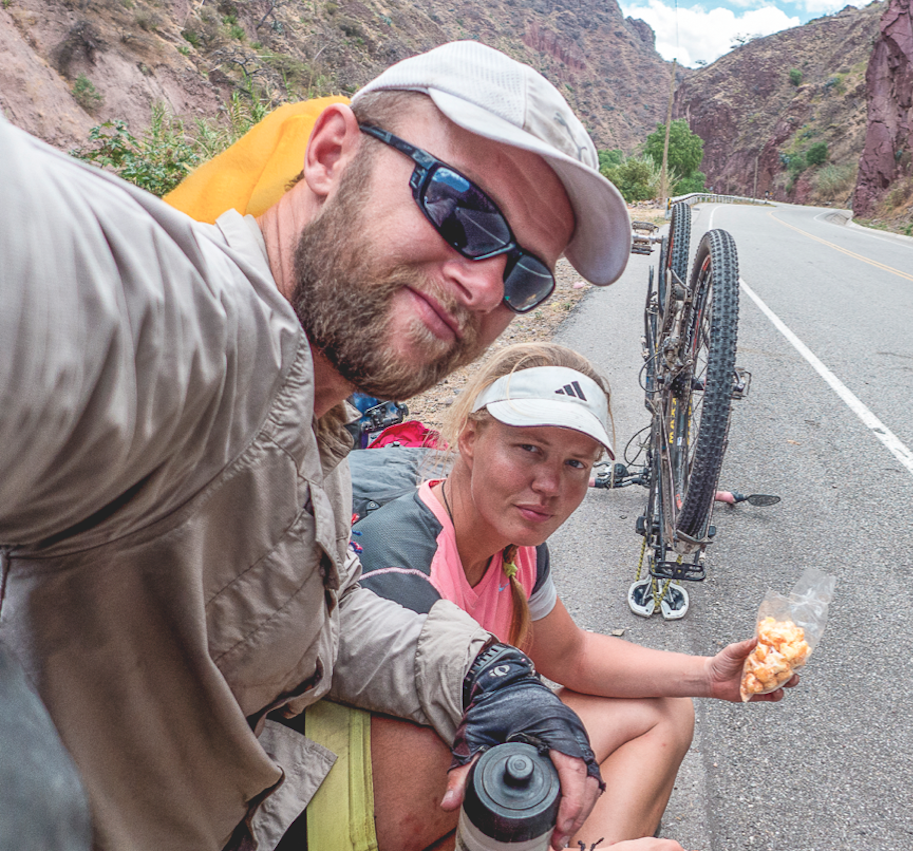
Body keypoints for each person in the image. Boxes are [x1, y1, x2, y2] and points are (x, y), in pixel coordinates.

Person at [0, 41, 632, 851]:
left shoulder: (316, 413)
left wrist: (486, 670)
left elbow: (324, 604)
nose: (483, 282)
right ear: (331, 154)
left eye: (523, 280)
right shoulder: (207, 327)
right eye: (461, 210)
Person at [347, 343, 797, 850]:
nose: (550, 485)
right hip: (399, 818)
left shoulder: (518, 547)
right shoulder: (400, 566)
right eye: (529, 449)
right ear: (471, 437)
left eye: (576, 464)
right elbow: (398, 825)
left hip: (484, 779)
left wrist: (710, 676)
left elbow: (570, 654)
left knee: (667, 708)